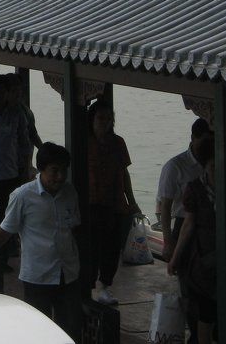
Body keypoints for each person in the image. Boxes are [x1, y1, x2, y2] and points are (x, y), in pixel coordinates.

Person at [0, 142, 82, 342]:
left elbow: (74, 227)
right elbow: (5, 230)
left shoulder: (70, 193)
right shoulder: (23, 196)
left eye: (63, 171)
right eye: (54, 171)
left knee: (69, 328)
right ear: (41, 169)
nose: (60, 177)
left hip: (68, 272)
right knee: (38, 329)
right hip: (38, 275)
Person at [157, 118, 212, 341]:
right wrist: (168, 242)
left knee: (209, 284)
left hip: (208, 228)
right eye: (204, 142)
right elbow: (166, 207)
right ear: (193, 138)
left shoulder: (215, 163)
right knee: (189, 286)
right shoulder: (175, 166)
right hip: (183, 224)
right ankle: (197, 334)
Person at [0, 73, 34, 286]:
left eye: (1, 91)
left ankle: (1, 258)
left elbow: (24, 142)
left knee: (7, 220)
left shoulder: (16, 114)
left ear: (7, 93)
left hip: (10, 174)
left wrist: (26, 167)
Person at [86, 99, 140, 305]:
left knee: (112, 248)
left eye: (109, 119)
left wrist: (131, 201)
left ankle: (104, 286)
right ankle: (89, 286)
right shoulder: (84, 142)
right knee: (92, 247)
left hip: (115, 203)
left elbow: (124, 173)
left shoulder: (118, 143)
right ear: (92, 119)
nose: (105, 123)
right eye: (101, 118)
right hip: (91, 202)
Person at [3, 72, 43, 178]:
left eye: (19, 90)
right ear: (5, 92)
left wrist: (44, 151)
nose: (18, 94)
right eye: (13, 91)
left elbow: (33, 135)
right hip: (2, 164)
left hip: (21, 163)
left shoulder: (25, 111)